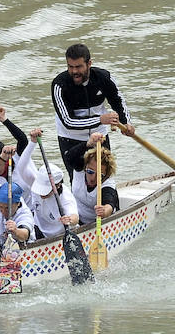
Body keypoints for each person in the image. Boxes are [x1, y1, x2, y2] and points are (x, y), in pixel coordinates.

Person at [51, 43, 134, 181]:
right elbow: (68, 121)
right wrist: (101, 119)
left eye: (78, 67)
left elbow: (118, 100)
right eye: (70, 67)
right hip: (72, 140)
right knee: (79, 182)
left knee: (104, 179)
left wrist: (127, 123)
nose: (74, 72)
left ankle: (107, 202)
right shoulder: (59, 85)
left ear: (89, 63)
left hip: (99, 136)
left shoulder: (104, 77)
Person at [65, 133, 120, 225]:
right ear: (85, 166)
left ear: (106, 174)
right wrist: (88, 144)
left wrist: (104, 211)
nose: (93, 178)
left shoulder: (107, 184)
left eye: (100, 175)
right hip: (77, 220)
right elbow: (69, 157)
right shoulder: (80, 169)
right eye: (90, 172)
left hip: (100, 223)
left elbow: (109, 203)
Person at [28, 163, 80, 239]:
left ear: (57, 185)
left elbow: (75, 218)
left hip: (61, 234)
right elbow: (22, 167)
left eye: (46, 190)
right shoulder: (35, 184)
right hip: (39, 229)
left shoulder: (65, 196)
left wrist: (69, 220)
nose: (41, 194)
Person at [0, 181, 35, 249]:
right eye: (0, 207)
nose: (3, 212)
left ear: (18, 204)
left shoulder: (25, 214)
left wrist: (16, 231)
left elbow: (25, 234)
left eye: (7, 208)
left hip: (23, 248)